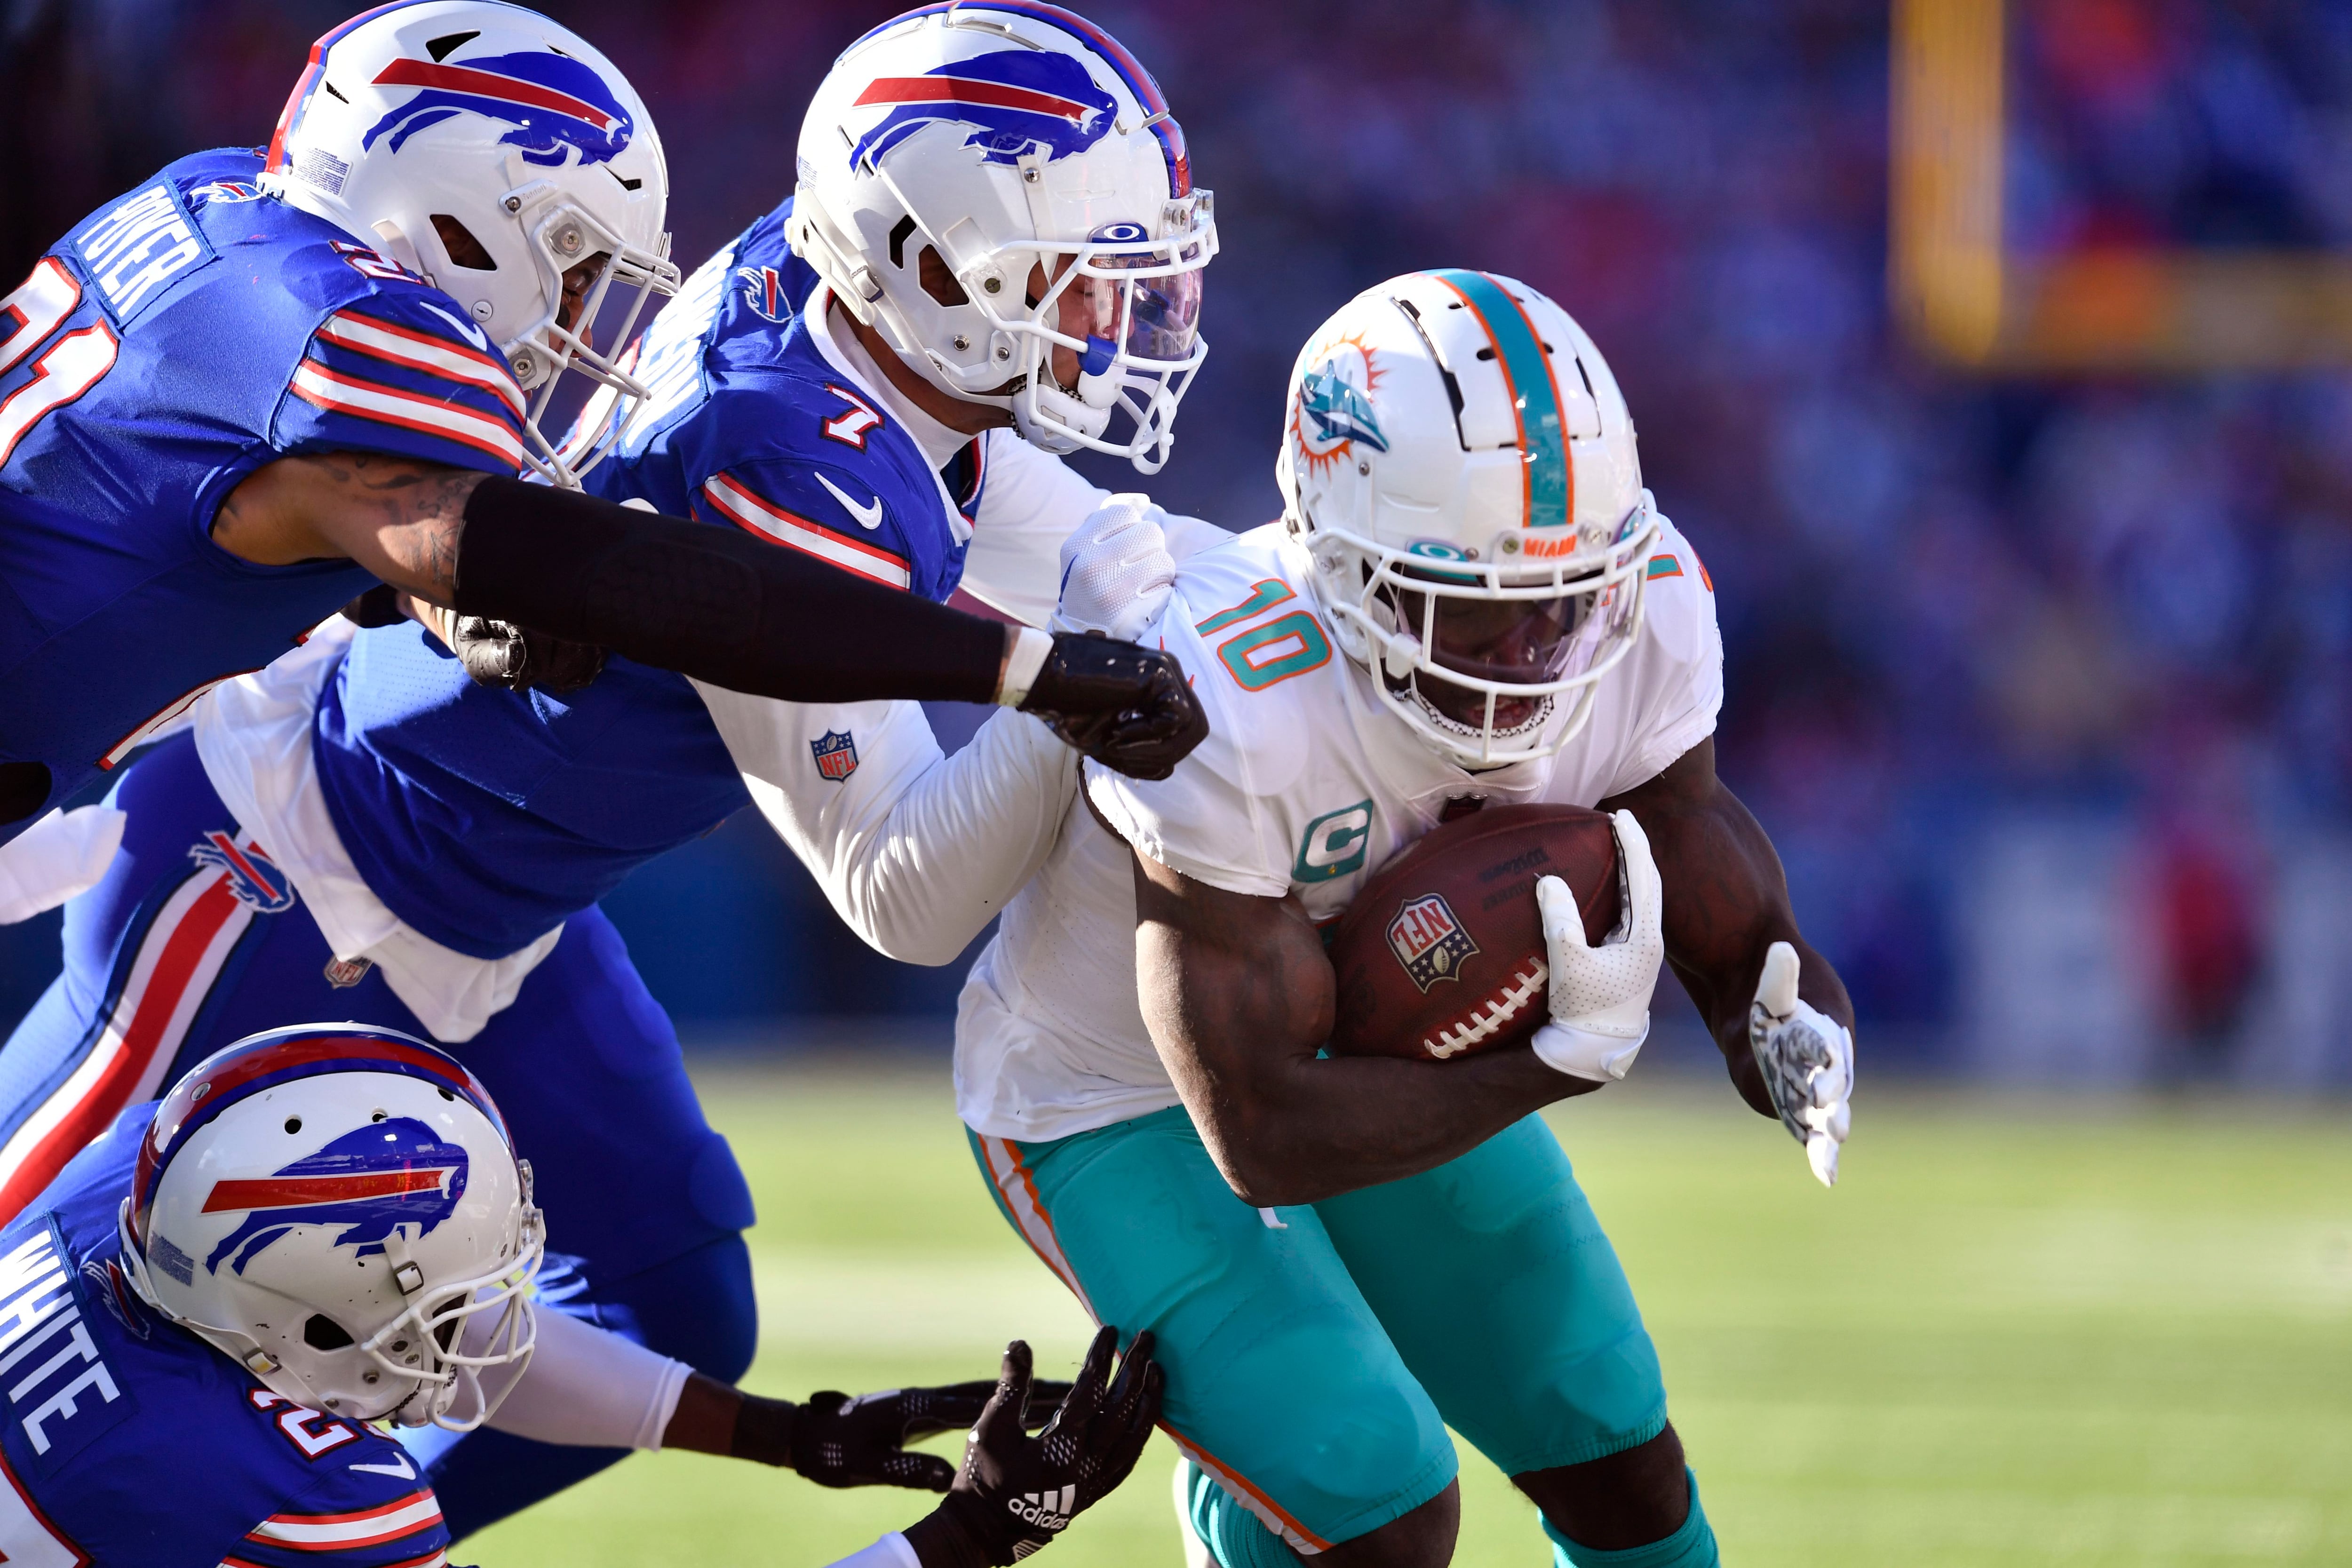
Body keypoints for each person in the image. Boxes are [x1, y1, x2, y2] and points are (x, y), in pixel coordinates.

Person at [0, 0, 1215, 1538]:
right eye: (563, 254)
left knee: (676, 1308)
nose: (585, 308)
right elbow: (608, 578)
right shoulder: (372, 331)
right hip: (280, 871)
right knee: (48, 1311)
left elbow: (324, 508)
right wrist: (1039, 686)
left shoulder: (239, 220)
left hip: (494, 902)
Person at [953, 271, 1860, 1568]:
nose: (1532, 652)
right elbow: (1257, 1131)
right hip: (1113, 1095)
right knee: (1372, 1490)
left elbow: (1691, 831)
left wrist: (1771, 1004)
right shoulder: (1219, 686)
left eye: (1564, 601)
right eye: (1476, 610)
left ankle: (1256, 1498)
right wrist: (1547, 1064)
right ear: (1334, 558)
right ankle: (1258, 1512)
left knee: (1609, 1436)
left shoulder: (1645, 599)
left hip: (1376, 1050)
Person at [0, 0, 1202, 846]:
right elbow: (642, 582)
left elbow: (222, 491)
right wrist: (1015, 666)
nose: (579, 313)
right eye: (571, 267)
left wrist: (430, 594)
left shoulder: (215, 201)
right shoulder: (340, 330)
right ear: (451, 217)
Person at [0, 1023, 1160, 1568]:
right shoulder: (300, 1490)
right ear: (303, 1322)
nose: (467, 1322)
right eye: (433, 1301)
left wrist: (783, 1433)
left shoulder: (120, 1203)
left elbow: (468, 1347)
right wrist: (963, 1540)